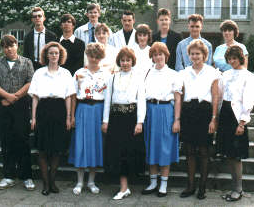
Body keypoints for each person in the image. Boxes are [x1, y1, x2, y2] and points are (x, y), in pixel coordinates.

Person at [0, 35, 35, 191]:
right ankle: (8, 176)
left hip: (21, 106)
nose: (9, 49)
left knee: (22, 139)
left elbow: (30, 82)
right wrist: (7, 97)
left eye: (11, 45)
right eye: (5, 46)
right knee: (6, 140)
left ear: (17, 46)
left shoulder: (26, 62)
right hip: (2, 105)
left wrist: (15, 97)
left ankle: (26, 176)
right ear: (3, 48)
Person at [28, 42, 75, 195]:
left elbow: (69, 97)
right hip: (43, 110)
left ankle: (53, 181)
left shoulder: (66, 73)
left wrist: (69, 117)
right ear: (46, 55)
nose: (54, 55)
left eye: (56, 53)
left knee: (57, 149)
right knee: (42, 150)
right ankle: (45, 184)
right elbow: (34, 97)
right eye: (51, 53)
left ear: (60, 55)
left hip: (60, 110)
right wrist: (33, 117)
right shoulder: (39, 73)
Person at [102, 47, 146, 200]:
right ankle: (123, 187)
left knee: (129, 152)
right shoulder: (112, 77)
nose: (125, 63)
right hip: (115, 118)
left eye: (128, 60)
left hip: (131, 118)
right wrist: (105, 121)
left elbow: (141, 101)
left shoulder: (138, 77)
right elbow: (108, 100)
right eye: (122, 60)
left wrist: (140, 122)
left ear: (132, 61)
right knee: (117, 152)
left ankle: (126, 186)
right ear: (119, 61)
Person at [179, 39, 220, 200]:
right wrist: (179, 118)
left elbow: (216, 96)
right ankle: (190, 186)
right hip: (189, 112)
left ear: (204, 55)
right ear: (189, 55)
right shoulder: (183, 73)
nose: (195, 56)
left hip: (205, 112)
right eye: (192, 54)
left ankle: (202, 187)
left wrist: (214, 119)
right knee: (189, 150)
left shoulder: (212, 72)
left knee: (204, 151)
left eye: (198, 54)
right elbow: (181, 97)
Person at [68, 43, 110, 195]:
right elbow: (73, 97)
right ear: (87, 55)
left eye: (97, 56)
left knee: (95, 145)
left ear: (101, 57)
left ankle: (91, 181)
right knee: (81, 144)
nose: (94, 59)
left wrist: (106, 119)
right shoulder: (79, 73)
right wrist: (71, 116)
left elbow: (109, 98)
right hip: (83, 109)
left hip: (99, 110)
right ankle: (79, 182)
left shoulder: (107, 74)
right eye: (91, 55)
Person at [216, 45, 254, 202]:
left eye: (234, 58)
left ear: (241, 58)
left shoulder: (248, 76)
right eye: (229, 58)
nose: (232, 61)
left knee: (236, 155)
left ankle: (238, 189)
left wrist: (242, 123)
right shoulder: (225, 74)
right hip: (225, 115)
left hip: (237, 117)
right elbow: (220, 96)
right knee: (228, 154)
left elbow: (248, 100)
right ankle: (234, 187)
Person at [142, 42, 181, 197]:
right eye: (155, 54)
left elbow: (178, 99)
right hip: (149, 110)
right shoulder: (146, 73)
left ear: (166, 55)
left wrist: (176, 120)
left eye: (161, 54)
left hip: (166, 111)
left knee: (165, 146)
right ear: (152, 57)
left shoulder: (173, 74)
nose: (158, 57)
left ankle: (163, 183)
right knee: (151, 145)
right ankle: (152, 182)